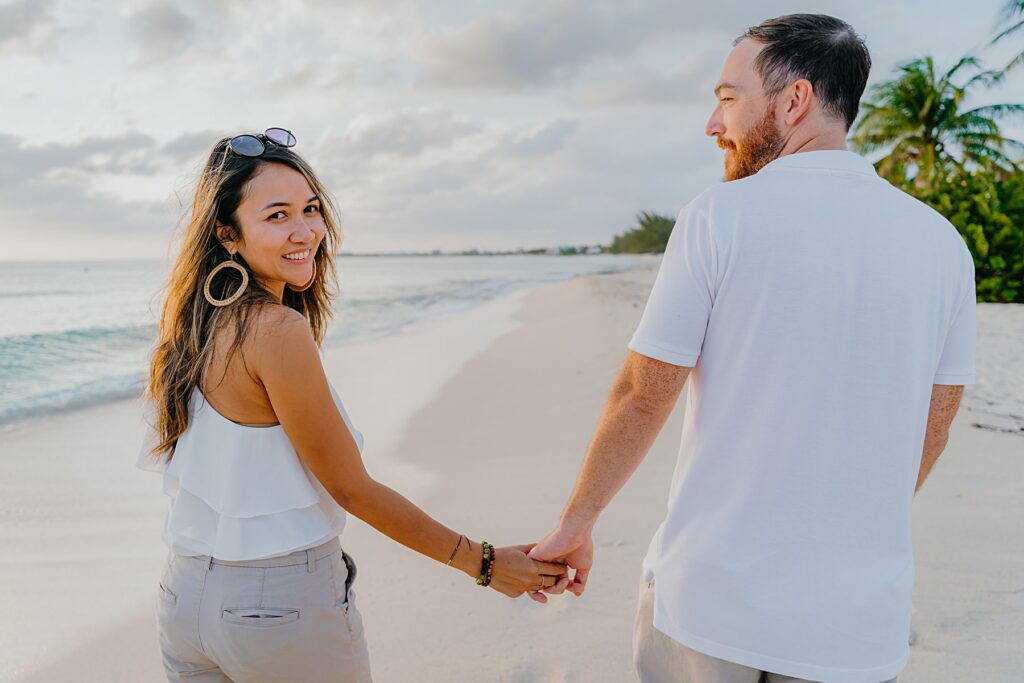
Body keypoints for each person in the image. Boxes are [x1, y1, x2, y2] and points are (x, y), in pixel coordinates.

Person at [530, 14, 976, 683]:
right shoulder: (943, 244)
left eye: (728, 97)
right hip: (856, 625)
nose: (714, 123)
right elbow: (934, 428)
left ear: (793, 100)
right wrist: (850, 520)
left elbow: (644, 395)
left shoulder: (717, 219)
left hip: (714, 608)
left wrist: (576, 522)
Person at [138, 128, 566, 683]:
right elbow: (352, 487)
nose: (306, 231)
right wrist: (484, 564)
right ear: (227, 235)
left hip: (184, 598)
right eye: (277, 216)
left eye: (310, 209)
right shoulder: (275, 329)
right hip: (277, 606)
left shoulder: (190, 329)